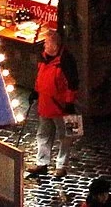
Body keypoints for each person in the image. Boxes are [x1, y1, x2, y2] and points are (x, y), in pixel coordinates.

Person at [31, 34, 75, 176]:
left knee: (67, 136)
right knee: (43, 135)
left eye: (47, 43)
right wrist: (36, 92)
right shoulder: (43, 58)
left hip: (62, 107)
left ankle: (61, 166)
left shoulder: (67, 61)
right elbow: (40, 77)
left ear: (55, 46)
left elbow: (73, 84)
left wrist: (70, 102)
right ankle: (42, 163)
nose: (44, 46)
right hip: (46, 105)